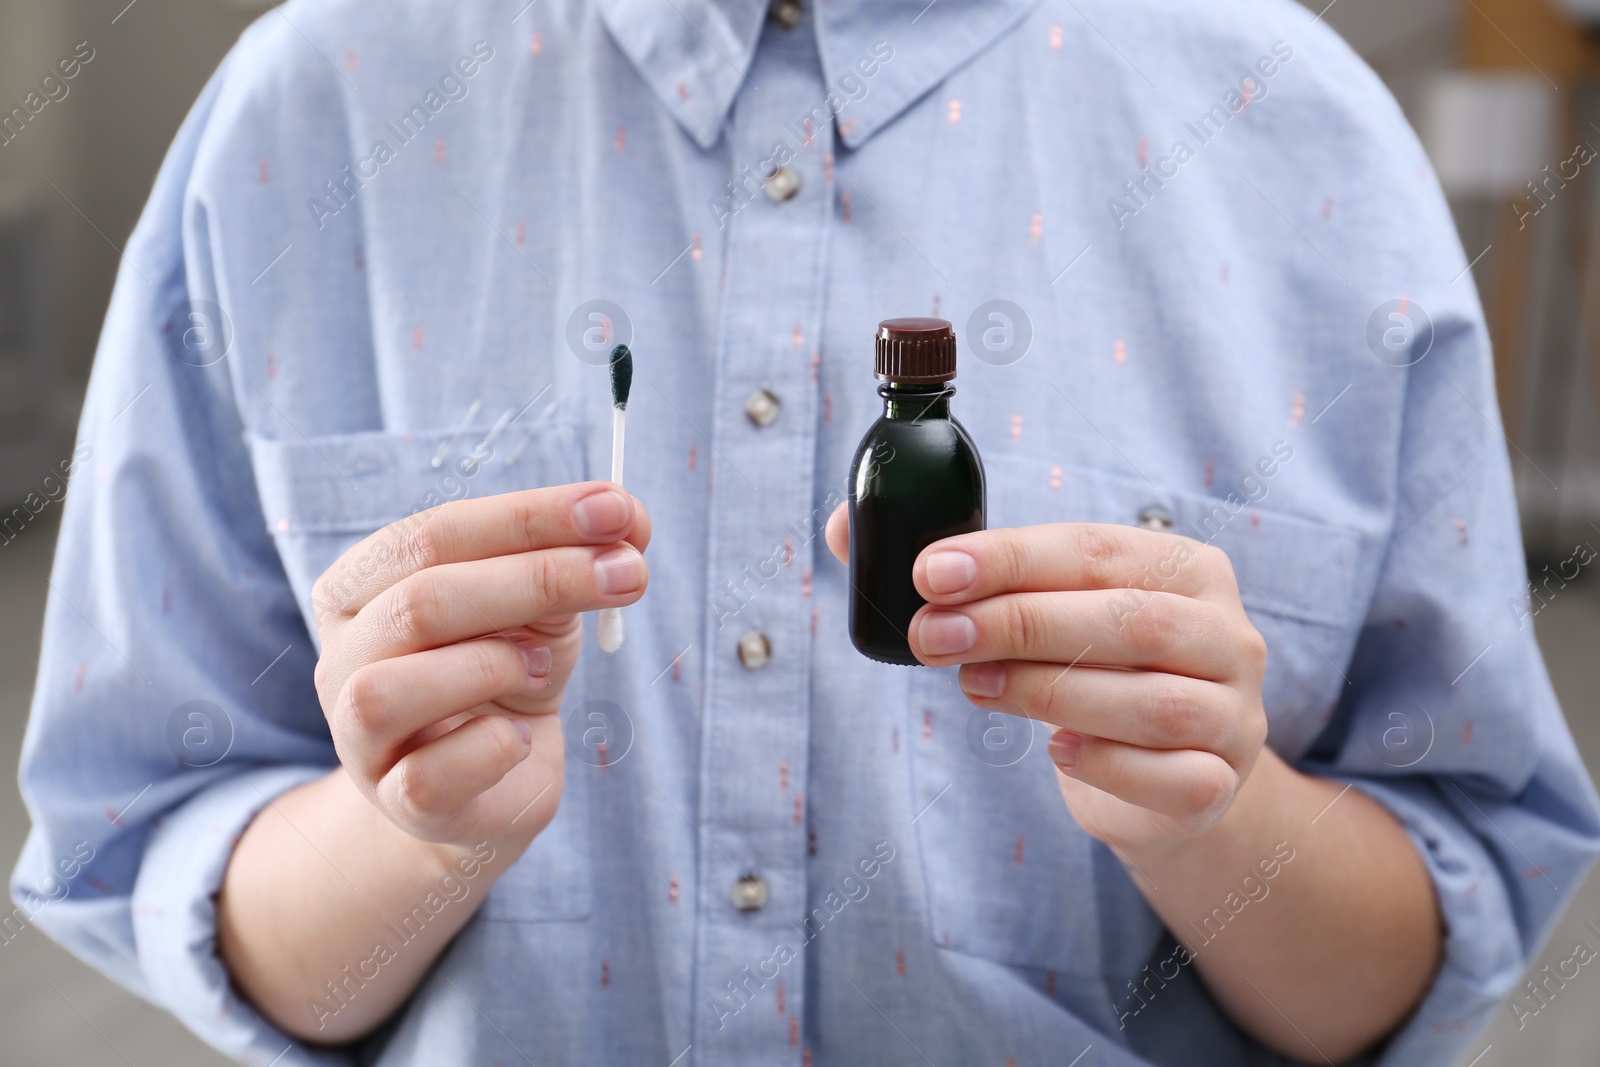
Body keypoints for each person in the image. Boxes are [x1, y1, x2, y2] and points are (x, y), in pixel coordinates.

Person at [12, 0, 1600, 1064]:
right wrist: (408, 838)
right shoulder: (307, 113)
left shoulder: (1297, 138)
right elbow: (163, 839)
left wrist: (1216, 819)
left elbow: (1422, 930)